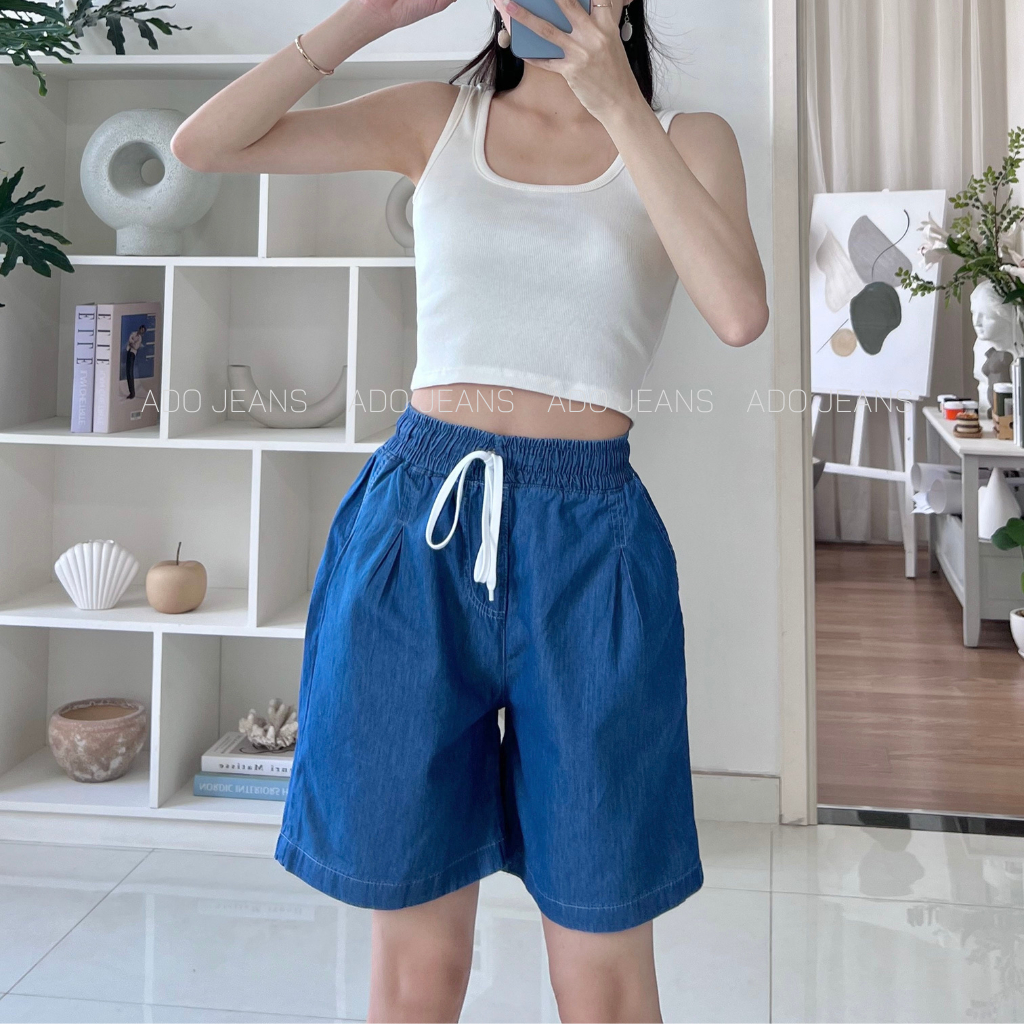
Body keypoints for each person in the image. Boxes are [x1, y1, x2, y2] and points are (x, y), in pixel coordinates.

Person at [171, 1, 768, 1020]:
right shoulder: (435, 118)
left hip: (591, 549)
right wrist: (366, 17)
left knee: (602, 971)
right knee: (417, 966)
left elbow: (739, 310)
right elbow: (204, 145)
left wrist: (619, 107)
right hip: (417, 528)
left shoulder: (685, 138)